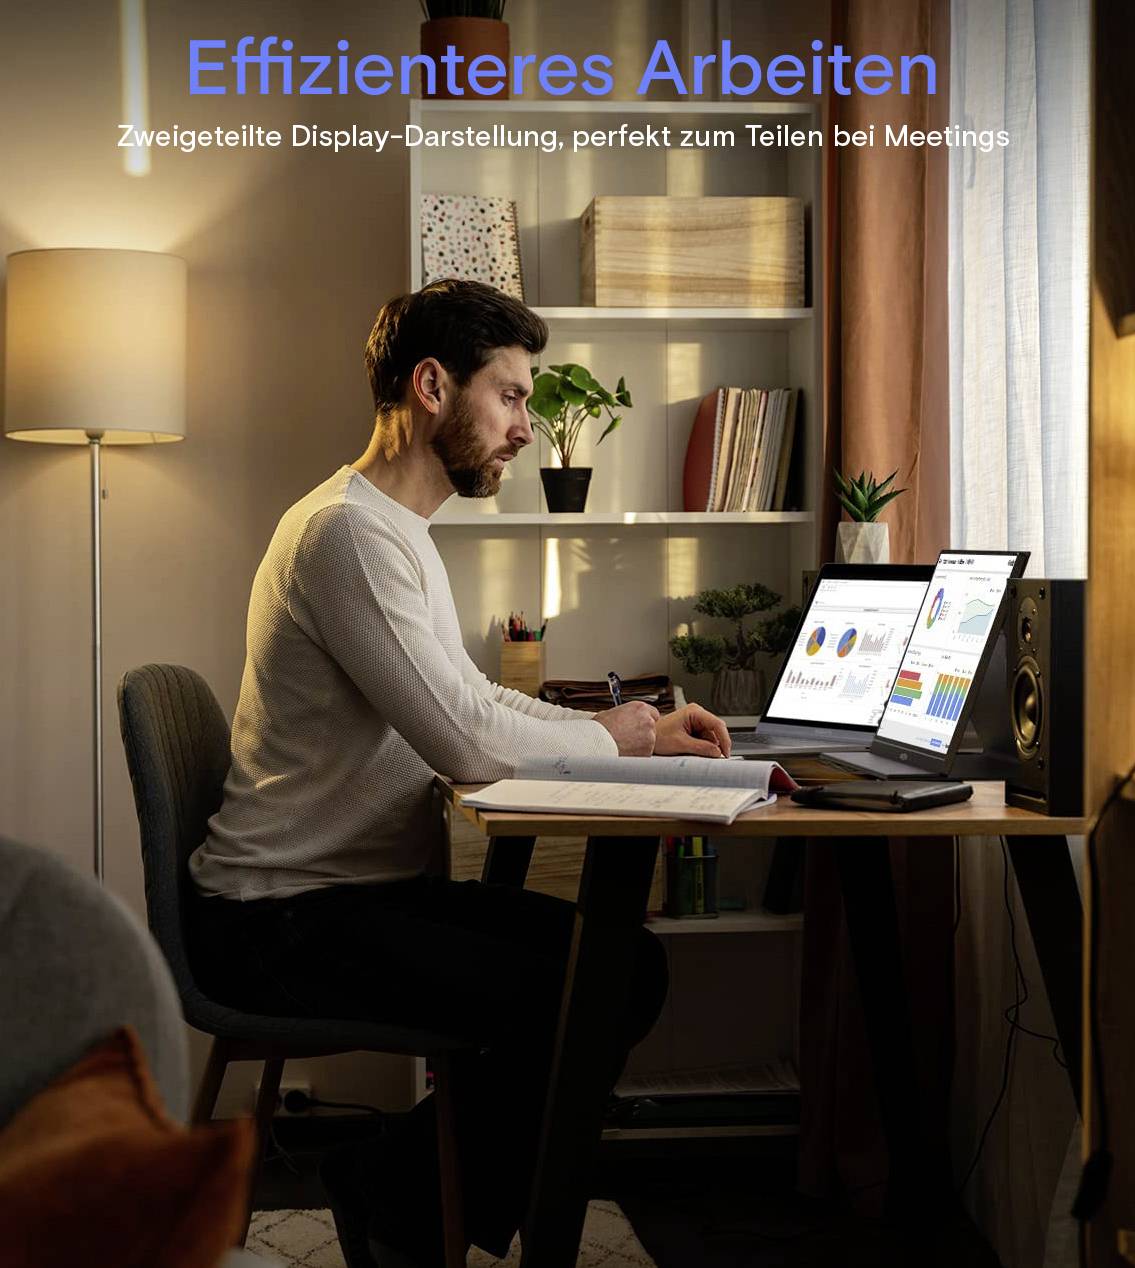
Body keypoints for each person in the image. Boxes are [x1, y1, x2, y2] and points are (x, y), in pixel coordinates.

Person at [189, 279, 733, 1267]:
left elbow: (471, 699)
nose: (525, 427)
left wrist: (628, 727)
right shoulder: (346, 534)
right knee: (598, 982)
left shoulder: (391, 530)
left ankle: (392, 1185)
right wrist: (619, 740)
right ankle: (402, 1194)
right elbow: (466, 739)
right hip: (278, 921)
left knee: (622, 965)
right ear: (432, 386)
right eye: (511, 395)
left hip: (342, 895)